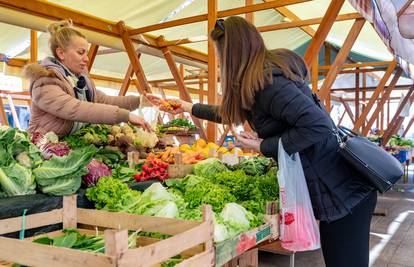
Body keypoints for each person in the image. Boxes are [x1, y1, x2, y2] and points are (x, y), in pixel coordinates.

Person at [148, 16, 377, 267]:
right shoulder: (257, 80)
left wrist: (263, 145)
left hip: (343, 191)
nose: (221, 63)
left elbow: (318, 125)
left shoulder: (270, 83)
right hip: (333, 187)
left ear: (233, 53)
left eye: (221, 55)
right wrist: (187, 106)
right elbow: (232, 111)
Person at [23, 20, 152, 137]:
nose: (86, 59)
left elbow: (105, 100)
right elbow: (76, 108)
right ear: (61, 53)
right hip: (42, 148)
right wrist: (125, 116)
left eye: (86, 52)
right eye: (81, 52)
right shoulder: (45, 82)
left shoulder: (80, 81)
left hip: (70, 145)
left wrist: (141, 101)